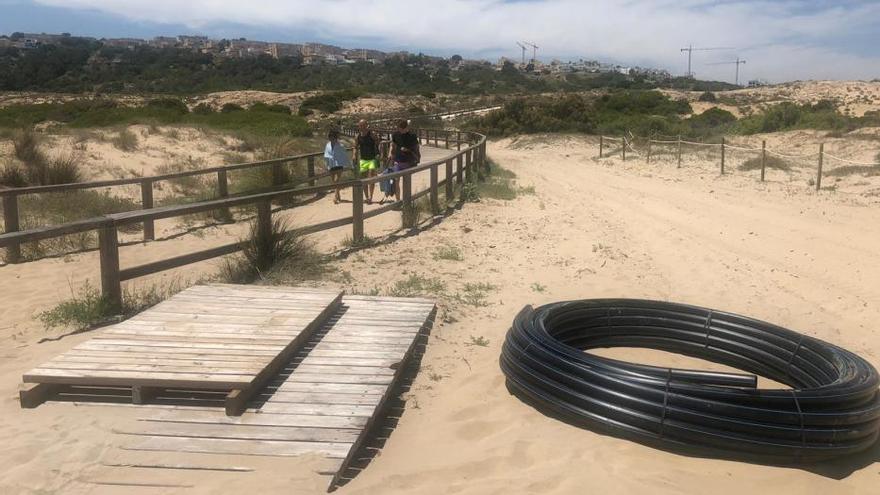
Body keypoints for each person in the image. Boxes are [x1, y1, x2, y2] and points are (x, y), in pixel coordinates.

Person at [387, 119, 420, 202]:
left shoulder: (412, 136)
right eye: (399, 128)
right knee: (396, 180)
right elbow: (392, 144)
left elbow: (416, 148)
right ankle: (398, 201)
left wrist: (408, 150)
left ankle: (407, 200)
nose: (400, 130)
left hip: (408, 162)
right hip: (398, 161)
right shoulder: (395, 134)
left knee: (406, 182)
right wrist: (390, 153)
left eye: (402, 129)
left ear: (406, 128)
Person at [353, 119, 380, 204]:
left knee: (371, 177)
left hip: (372, 158)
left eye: (363, 125)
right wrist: (354, 155)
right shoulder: (358, 136)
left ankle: (370, 197)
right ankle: (367, 196)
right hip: (363, 159)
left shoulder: (371, 134)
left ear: (366, 125)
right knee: (363, 178)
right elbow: (355, 147)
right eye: (360, 125)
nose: (362, 127)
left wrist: (375, 137)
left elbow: (378, 142)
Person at [324, 129, 351, 204]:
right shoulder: (327, 145)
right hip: (331, 165)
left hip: (339, 165)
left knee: (336, 181)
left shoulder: (340, 146)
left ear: (335, 138)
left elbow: (344, 156)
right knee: (334, 182)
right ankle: (339, 196)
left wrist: (348, 164)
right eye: (330, 137)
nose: (331, 139)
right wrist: (327, 165)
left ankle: (335, 197)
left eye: (332, 137)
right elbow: (326, 156)